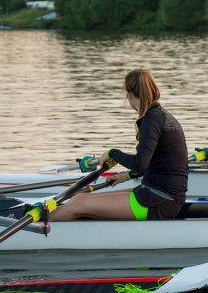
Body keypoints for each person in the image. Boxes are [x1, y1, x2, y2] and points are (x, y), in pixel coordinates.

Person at [51, 69, 188, 221]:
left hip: (159, 200)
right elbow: (153, 162)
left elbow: (140, 164)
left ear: (129, 95)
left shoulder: (152, 119)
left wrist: (112, 153)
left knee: (78, 203)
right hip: (160, 195)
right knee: (79, 198)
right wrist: (126, 176)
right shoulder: (162, 115)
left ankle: (40, 226)